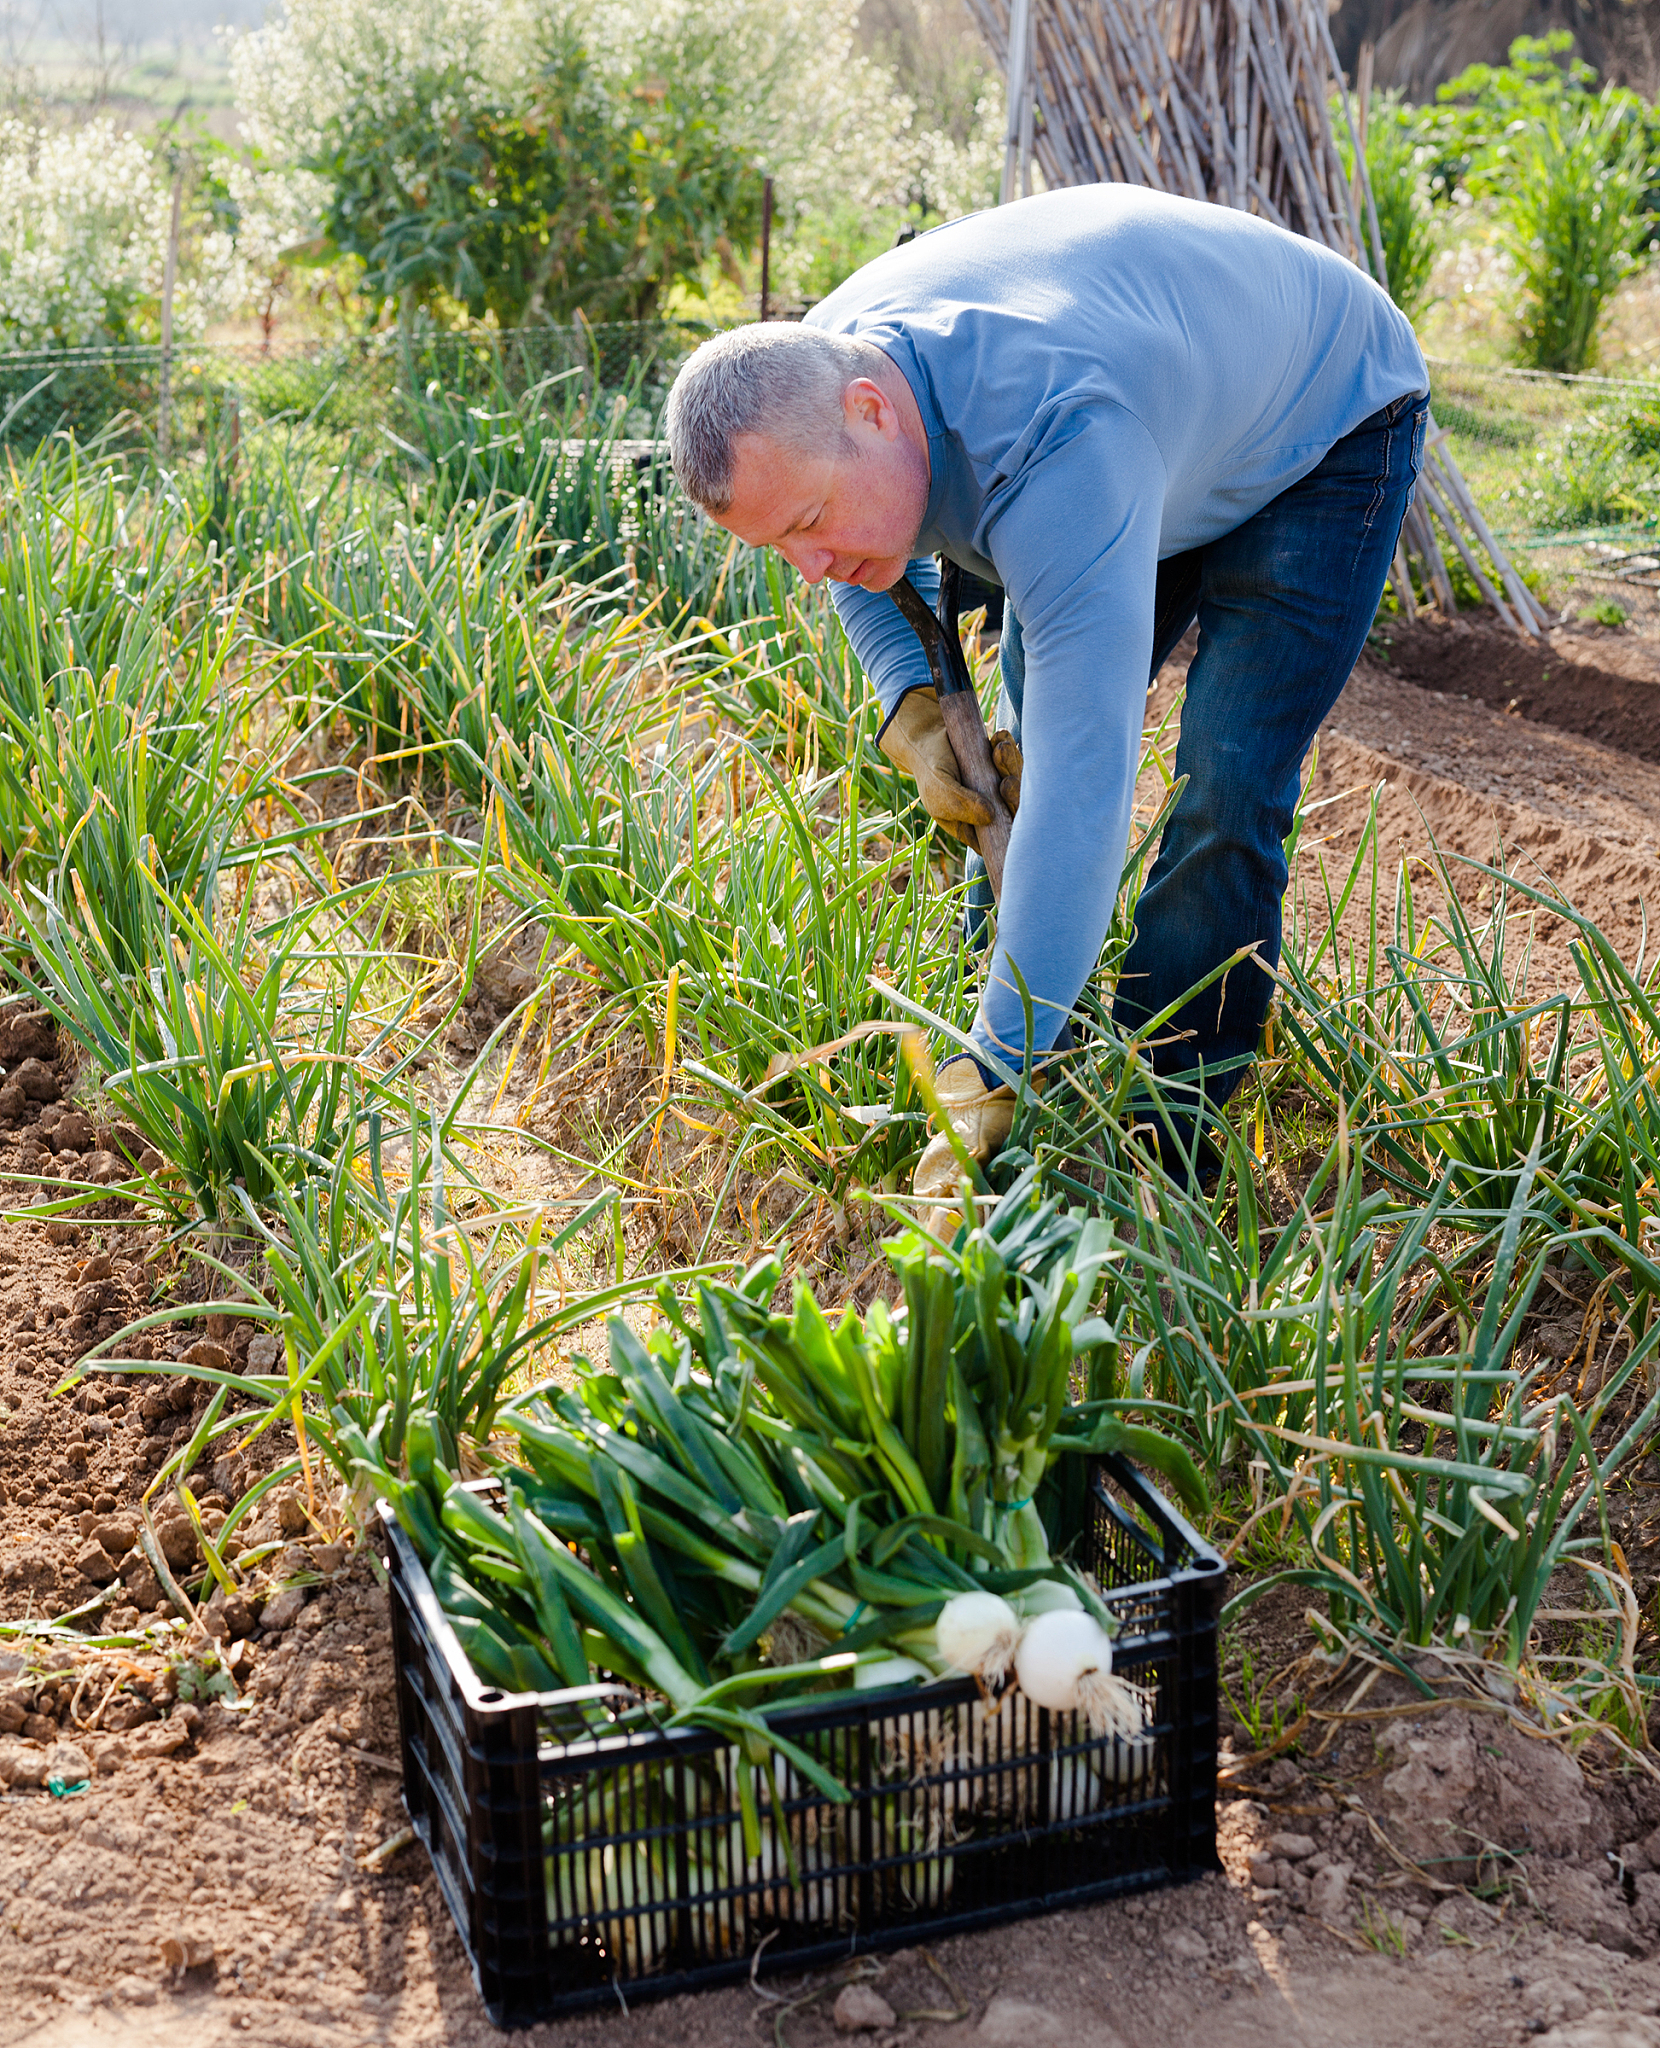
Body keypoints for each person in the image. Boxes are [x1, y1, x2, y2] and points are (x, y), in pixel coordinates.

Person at [664, 183, 1428, 1210]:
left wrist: (994, 1058)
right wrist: (908, 699)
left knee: (1225, 782)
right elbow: (861, 566)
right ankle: (1037, 1082)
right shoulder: (821, 372)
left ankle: (1165, 1142)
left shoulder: (1055, 447)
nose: (809, 568)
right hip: (1157, 404)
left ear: (869, 409)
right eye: (777, 546)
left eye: (809, 519)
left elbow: (1085, 781)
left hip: (1318, 424)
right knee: (1009, 754)